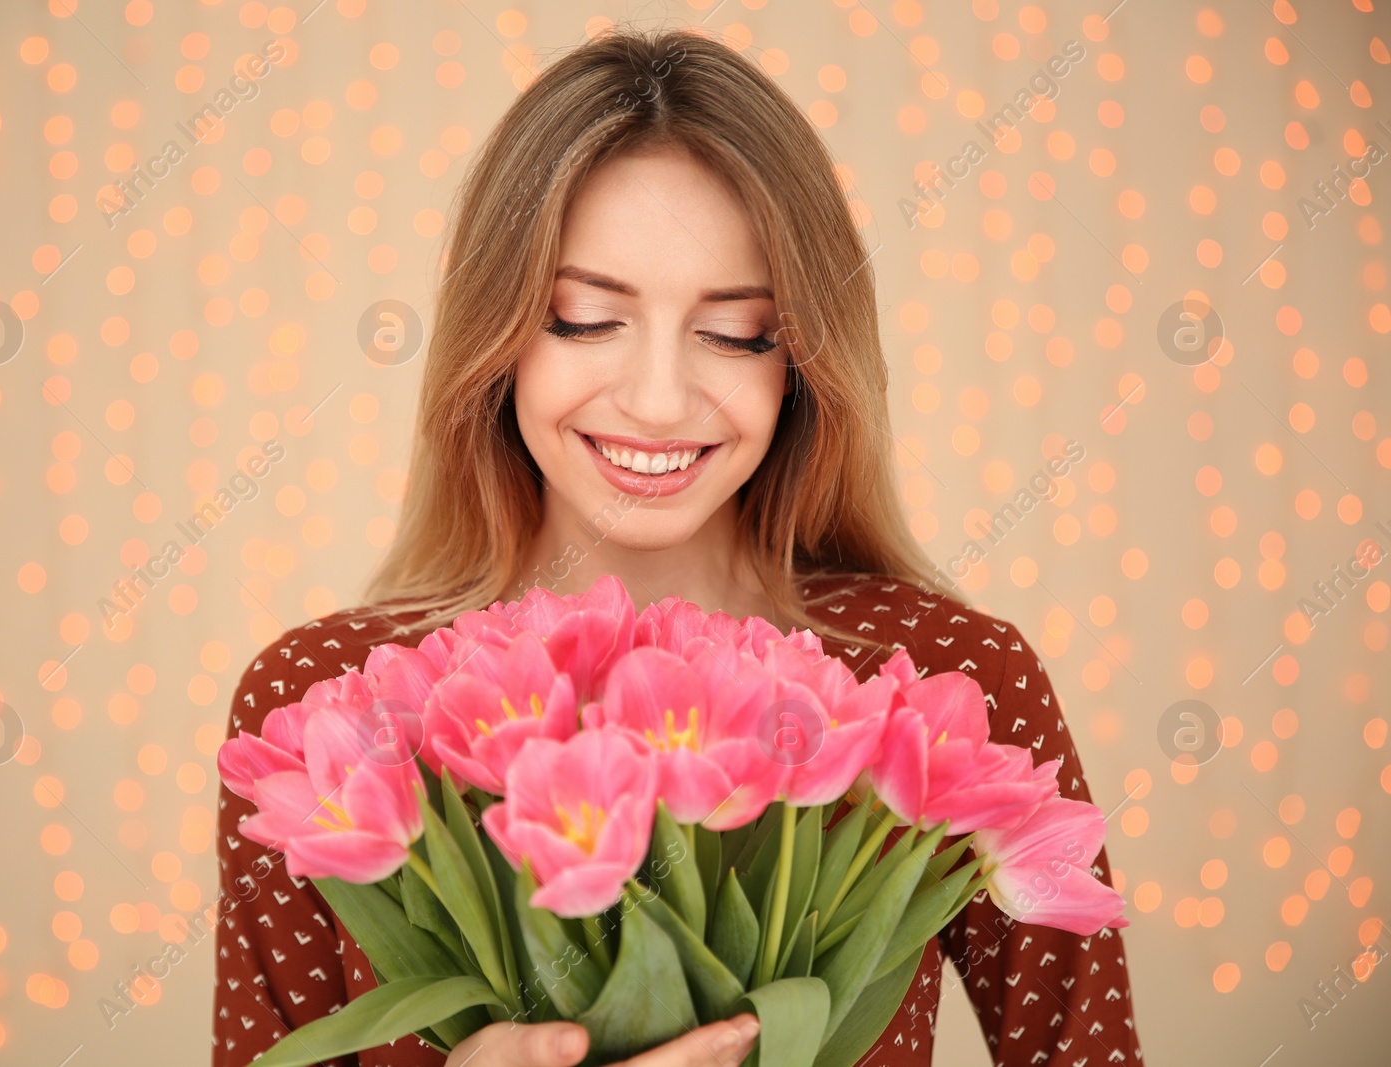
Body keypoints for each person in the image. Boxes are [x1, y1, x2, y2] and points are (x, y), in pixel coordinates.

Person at [212, 25, 1143, 1067]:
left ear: (800, 359)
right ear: (498, 338)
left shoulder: (938, 683)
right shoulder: (325, 708)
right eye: (581, 318)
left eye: (737, 331)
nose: (658, 402)